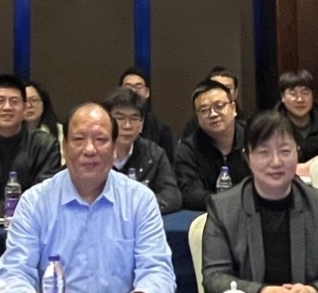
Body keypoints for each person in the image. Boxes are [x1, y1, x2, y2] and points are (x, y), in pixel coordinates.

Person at [0, 104, 175, 293]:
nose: (89, 150)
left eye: (100, 140)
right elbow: (15, 270)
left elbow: (157, 270)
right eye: (79, 139)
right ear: (64, 147)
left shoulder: (140, 200)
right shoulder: (35, 202)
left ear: (115, 149)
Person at [201, 111, 318, 293]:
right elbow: (214, 278)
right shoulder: (223, 207)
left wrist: (312, 292)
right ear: (247, 156)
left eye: (285, 151)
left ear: (297, 153)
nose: (276, 162)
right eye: (264, 152)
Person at [0, 74, 62, 220]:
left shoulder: (45, 145)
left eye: (14, 101)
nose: (7, 107)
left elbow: (45, 194)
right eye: (0, 101)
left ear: (25, 108)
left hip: (31, 224)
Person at [175, 78, 250, 211]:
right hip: (208, 214)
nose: (213, 114)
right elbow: (189, 193)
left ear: (233, 108)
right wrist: (227, 203)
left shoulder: (253, 139)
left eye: (219, 106)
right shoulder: (187, 150)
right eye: (204, 110)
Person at [106, 88, 181, 214]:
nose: (127, 125)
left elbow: (172, 197)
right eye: (120, 118)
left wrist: (137, 208)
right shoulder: (94, 152)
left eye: (134, 118)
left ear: (141, 125)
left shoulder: (154, 154)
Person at [276, 69, 318, 164]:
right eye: (293, 94)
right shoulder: (272, 125)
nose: (300, 99)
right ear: (283, 97)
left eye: (305, 93)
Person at [119, 67, 178, 154]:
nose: (133, 91)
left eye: (138, 87)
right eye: (128, 87)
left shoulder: (160, 127)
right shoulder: (110, 121)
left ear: (147, 92)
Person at [22, 80, 64, 152]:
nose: (29, 105)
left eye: (34, 100)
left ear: (44, 103)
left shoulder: (61, 131)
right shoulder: (11, 133)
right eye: (24, 101)